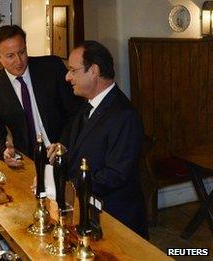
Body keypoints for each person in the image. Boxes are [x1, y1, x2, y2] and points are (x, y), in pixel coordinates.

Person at [61, 40, 148, 238]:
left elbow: (115, 174)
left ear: (94, 71)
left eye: (73, 70)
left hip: (116, 221)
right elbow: (80, 145)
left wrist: (69, 187)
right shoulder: (87, 104)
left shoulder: (124, 115)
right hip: (90, 214)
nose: (68, 77)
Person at [0, 25, 80, 167]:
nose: (19, 61)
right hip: (28, 162)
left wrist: (62, 144)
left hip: (65, 153)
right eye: (10, 56)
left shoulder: (51, 67)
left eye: (22, 52)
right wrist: (4, 151)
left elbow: (77, 111)